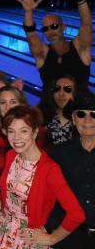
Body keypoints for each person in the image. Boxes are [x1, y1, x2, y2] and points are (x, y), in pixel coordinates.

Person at [0, 105, 84, 248]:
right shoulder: (11, 155)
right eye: (11, 131)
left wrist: (52, 239)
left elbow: (77, 214)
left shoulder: (49, 169)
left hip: (27, 240)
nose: (16, 138)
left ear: (35, 133)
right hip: (2, 232)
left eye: (24, 131)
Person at [0, 85, 46, 205]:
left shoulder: (39, 133)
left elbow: (47, 171)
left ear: (22, 104)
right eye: (3, 102)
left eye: (13, 102)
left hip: (33, 198)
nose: (8, 107)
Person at [18, 0, 91, 93]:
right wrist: (28, 12)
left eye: (54, 26)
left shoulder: (80, 48)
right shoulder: (43, 53)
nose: (50, 31)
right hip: (50, 106)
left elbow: (86, 24)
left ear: (63, 27)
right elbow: (31, 35)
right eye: (45, 29)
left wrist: (81, 0)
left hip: (79, 106)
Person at [50, 92, 95, 247]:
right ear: (74, 120)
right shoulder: (58, 153)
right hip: (69, 237)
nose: (88, 120)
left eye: (93, 114)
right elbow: (49, 196)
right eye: (81, 114)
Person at [40, 75, 82, 146]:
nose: (61, 93)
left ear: (75, 94)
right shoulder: (43, 117)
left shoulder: (83, 120)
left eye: (67, 89)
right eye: (57, 88)